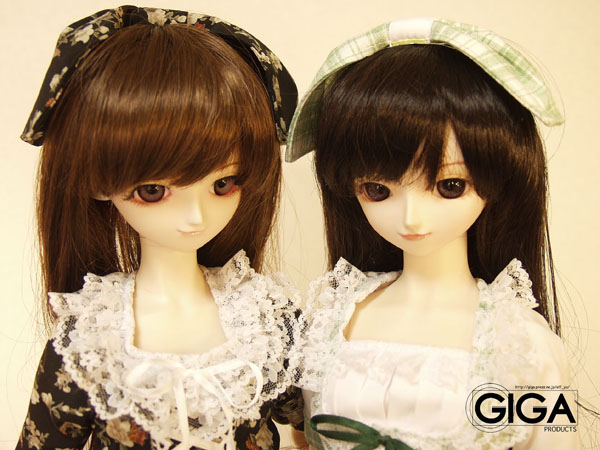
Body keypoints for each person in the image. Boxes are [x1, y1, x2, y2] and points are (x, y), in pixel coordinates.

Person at [17, 6, 303, 449]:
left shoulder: (267, 320)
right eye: (153, 191)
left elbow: (311, 426)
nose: (196, 216)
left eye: (222, 184)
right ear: (98, 182)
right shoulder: (90, 341)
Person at [286, 18, 578, 449]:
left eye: (450, 186)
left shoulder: (521, 344)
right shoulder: (329, 322)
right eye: (378, 190)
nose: (412, 218)